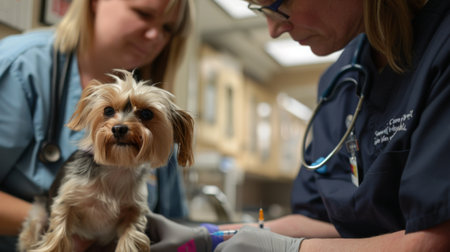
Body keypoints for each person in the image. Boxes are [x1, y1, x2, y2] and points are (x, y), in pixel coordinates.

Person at [146, 0, 450, 251]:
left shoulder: (441, 45)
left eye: (282, 3)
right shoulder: (338, 81)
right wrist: (210, 234)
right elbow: (320, 222)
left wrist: (292, 250)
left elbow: (434, 240)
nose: (274, 29)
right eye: (260, 10)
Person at [0, 0, 194, 250]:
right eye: (143, 14)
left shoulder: (156, 113)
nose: (155, 35)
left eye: (168, 28)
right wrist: (70, 224)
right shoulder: (20, 68)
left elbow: (172, 220)